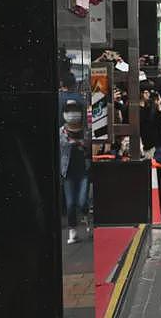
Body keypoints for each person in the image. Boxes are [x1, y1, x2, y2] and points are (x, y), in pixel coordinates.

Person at [59, 100, 90, 244]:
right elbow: (62, 145)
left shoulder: (85, 130)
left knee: (82, 201)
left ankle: (87, 217)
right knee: (71, 203)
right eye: (69, 110)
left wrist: (82, 144)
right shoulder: (61, 131)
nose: (72, 113)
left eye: (74, 110)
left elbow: (89, 145)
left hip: (83, 171)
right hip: (68, 172)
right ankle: (73, 232)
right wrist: (74, 142)